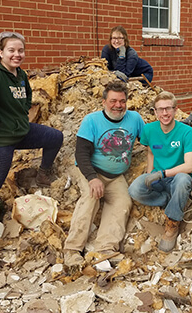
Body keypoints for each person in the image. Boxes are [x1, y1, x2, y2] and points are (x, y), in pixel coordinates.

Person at [0, 32, 64, 267]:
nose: (17, 55)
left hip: (18, 131)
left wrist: (18, 117)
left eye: (20, 51)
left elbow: (26, 97)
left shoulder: (19, 75)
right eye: (11, 50)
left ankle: (43, 174)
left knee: (54, 137)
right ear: (1, 52)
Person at [63, 81, 145, 266]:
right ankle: (72, 250)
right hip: (90, 170)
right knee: (91, 197)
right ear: (104, 102)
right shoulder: (91, 121)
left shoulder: (135, 119)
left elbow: (150, 140)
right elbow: (81, 153)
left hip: (116, 176)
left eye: (122, 101)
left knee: (123, 202)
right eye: (113, 101)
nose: (118, 105)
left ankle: (106, 248)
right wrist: (92, 178)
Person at [128, 91, 192, 252]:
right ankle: (167, 200)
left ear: (175, 110)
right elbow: (151, 152)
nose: (165, 113)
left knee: (182, 180)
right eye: (160, 109)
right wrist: (149, 174)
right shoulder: (149, 130)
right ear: (155, 112)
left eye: (168, 108)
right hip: (159, 180)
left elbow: (190, 166)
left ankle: (173, 223)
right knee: (134, 189)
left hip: (177, 179)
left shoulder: (186, 132)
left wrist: (162, 173)